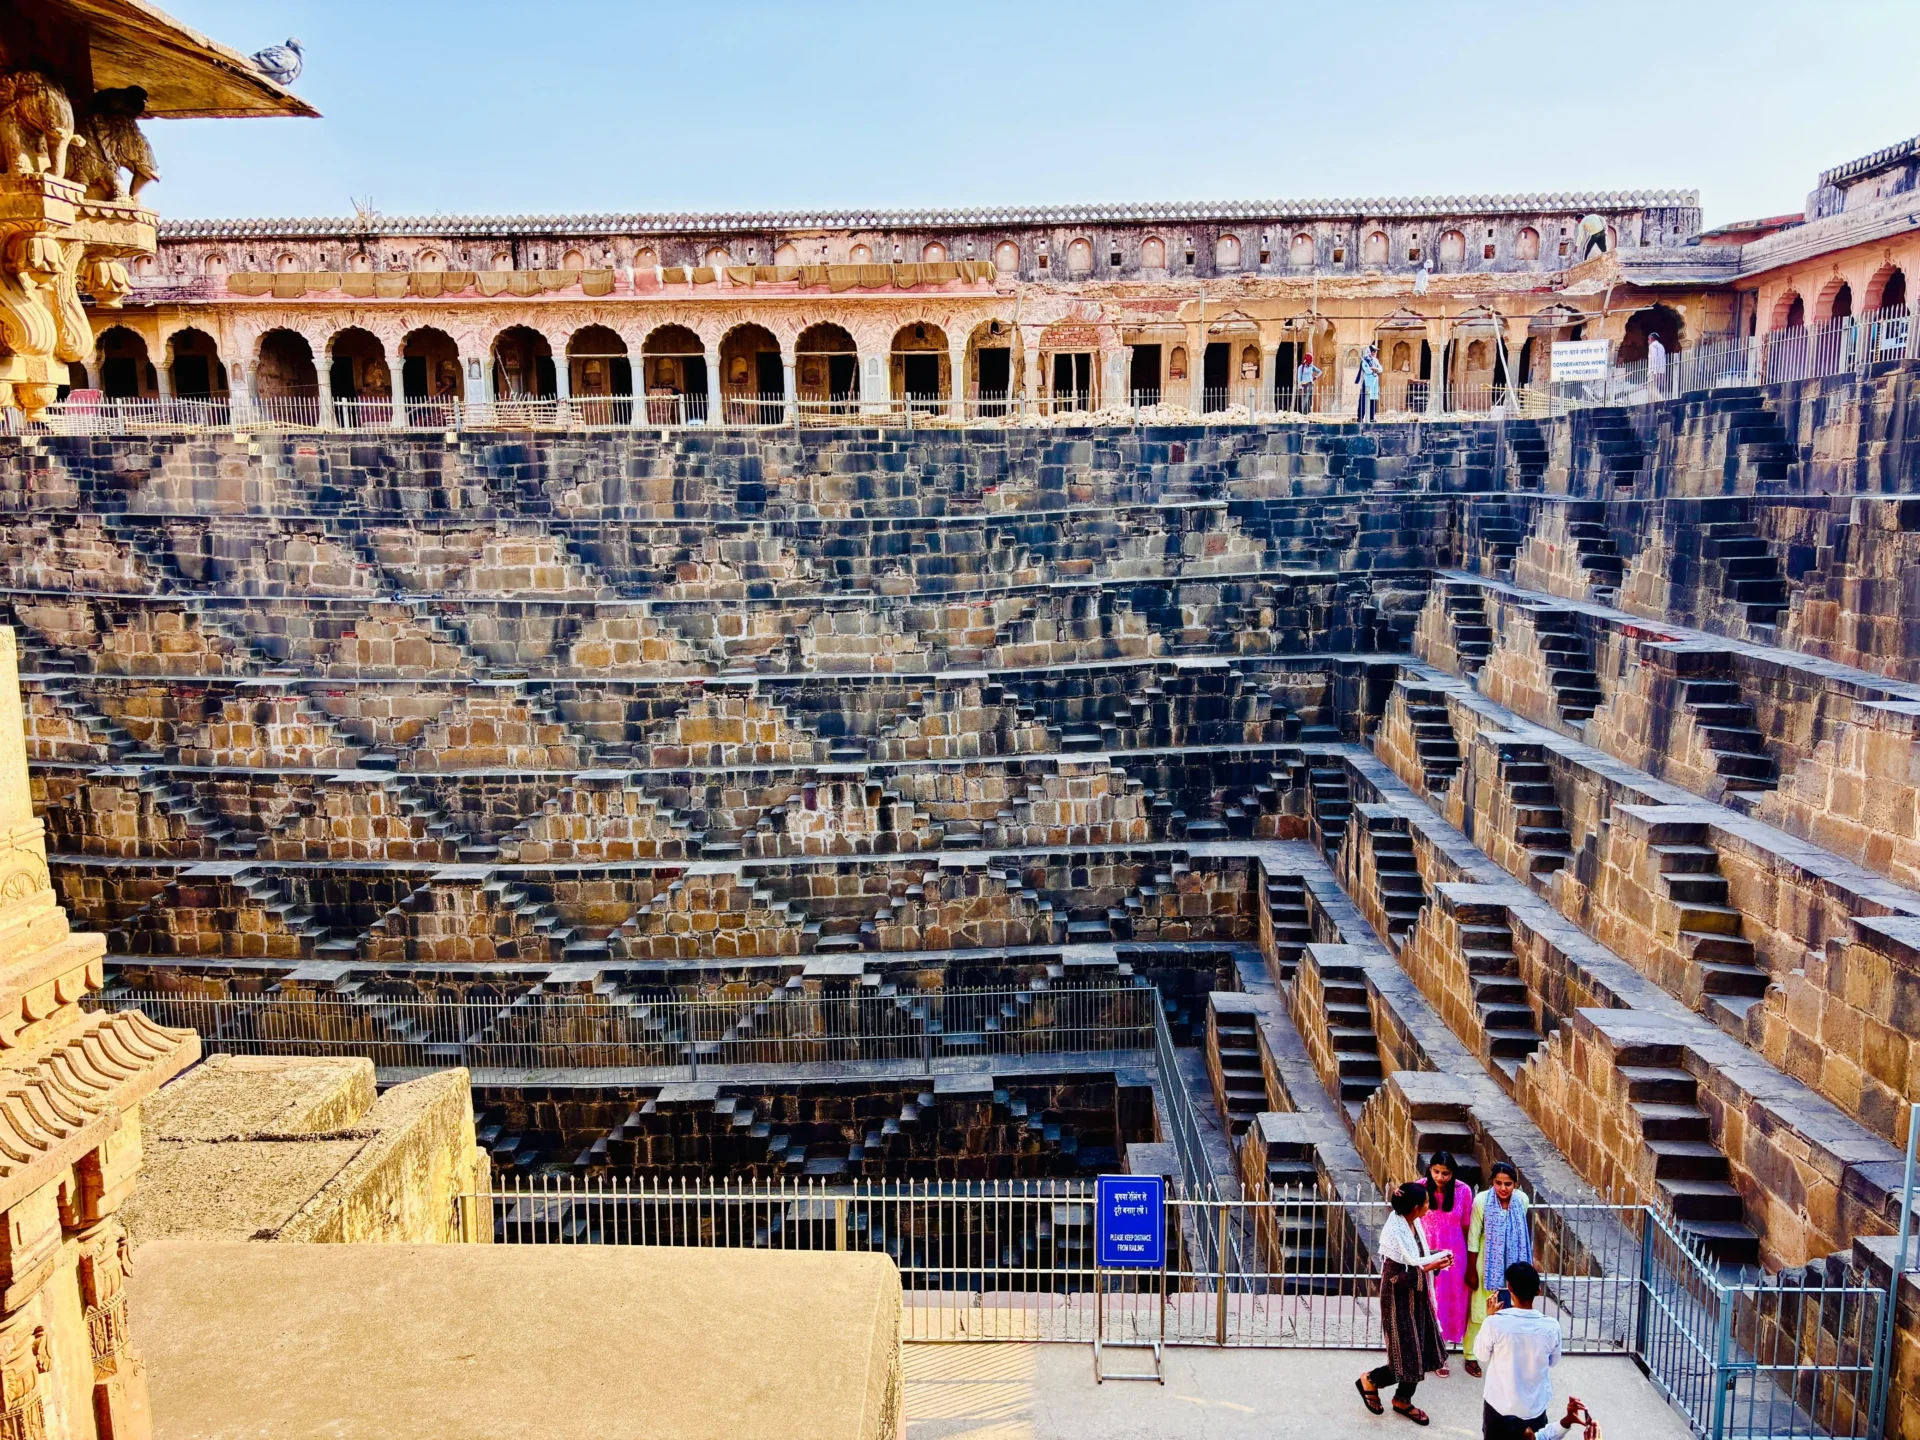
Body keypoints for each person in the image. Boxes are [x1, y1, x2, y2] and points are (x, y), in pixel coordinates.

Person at [1356, 1181, 1451, 1426]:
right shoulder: (1394, 1234)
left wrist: (1437, 1256)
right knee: (1407, 1358)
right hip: (1398, 1304)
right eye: (1427, 1203)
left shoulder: (1413, 1225)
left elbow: (1417, 1258)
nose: (1430, 1206)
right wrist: (1431, 1265)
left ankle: (1402, 1399)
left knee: (1422, 1351)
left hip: (1417, 1300)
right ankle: (1370, 1380)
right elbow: (1396, 1275)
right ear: (1416, 1207)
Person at [1473, 1262, 1562, 1440]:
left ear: (1509, 1288)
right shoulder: (1551, 1327)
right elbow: (1553, 1361)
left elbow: (1480, 1355)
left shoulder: (1495, 1323)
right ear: (1538, 1290)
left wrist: (1489, 1318)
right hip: (1534, 1408)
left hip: (1499, 1407)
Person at [1463, 1162, 1532, 1376]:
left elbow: (1520, 1232)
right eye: (1498, 1183)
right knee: (1481, 1307)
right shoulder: (1482, 1200)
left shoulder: (1522, 1200)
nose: (1503, 1188)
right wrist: (1472, 1270)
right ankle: (1471, 1355)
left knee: (1511, 1306)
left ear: (1516, 1184)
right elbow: (1473, 1236)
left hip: (1514, 1261)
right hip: (1486, 1260)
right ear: (1492, 1182)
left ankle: (1506, 1351)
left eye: (1508, 1184)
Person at [1416, 1151, 1475, 1371]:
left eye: (1445, 1173)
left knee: (1449, 1301)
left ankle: (1441, 1353)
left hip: (1453, 1254)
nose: (1440, 1177)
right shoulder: (1419, 1187)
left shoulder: (1464, 1191)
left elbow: (1467, 1226)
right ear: (1430, 1170)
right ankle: (1427, 1349)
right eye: (1436, 1172)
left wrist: (1469, 1260)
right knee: (1429, 1299)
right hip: (1428, 1251)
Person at [1357, 344, 1382, 422]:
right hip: (1367, 383)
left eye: (1375, 351)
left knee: (1373, 401)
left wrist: (1374, 368)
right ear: (1371, 352)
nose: (1375, 353)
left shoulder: (1376, 360)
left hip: (1374, 383)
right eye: (1374, 351)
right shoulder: (1365, 360)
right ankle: (1360, 417)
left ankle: (1372, 417)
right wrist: (1374, 369)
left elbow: (1381, 369)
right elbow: (1367, 370)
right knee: (1363, 400)